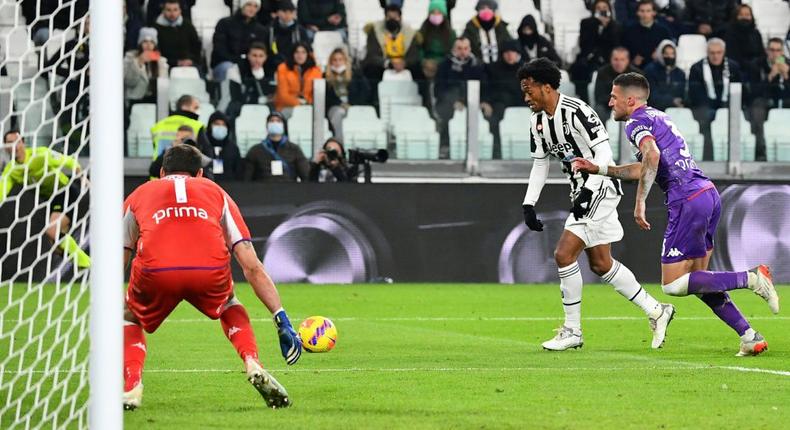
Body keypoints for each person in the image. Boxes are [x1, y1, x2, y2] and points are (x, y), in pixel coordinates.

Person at [572, 72, 779, 356]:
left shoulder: (635, 122)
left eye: (614, 97)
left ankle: (752, 277)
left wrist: (640, 201)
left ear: (630, 100)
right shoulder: (657, 116)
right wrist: (600, 169)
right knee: (699, 279)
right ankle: (749, 335)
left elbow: (652, 156)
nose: (609, 102)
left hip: (686, 200)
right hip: (705, 193)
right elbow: (644, 166)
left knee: (672, 285)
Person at [121, 144, 302, 410]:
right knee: (230, 302)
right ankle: (252, 361)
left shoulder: (139, 194)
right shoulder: (216, 192)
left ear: (161, 172)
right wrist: (281, 318)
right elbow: (251, 265)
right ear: (201, 174)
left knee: (128, 316)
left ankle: (131, 386)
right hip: (209, 271)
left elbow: (119, 257)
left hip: (156, 272)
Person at [518, 59, 673, 351]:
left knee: (563, 254)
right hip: (581, 192)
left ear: (547, 87)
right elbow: (540, 163)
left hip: (600, 186)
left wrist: (589, 190)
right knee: (601, 264)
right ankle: (656, 310)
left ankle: (572, 330)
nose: (526, 98)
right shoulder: (537, 122)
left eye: (530, 91)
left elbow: (603, 151)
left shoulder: (578, 112)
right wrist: (529, 203)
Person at [1, 131, 90, 269]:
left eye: (17, 142)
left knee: (52, 230)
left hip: (66, 192)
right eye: (10, 143)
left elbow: (69, 161)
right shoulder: (11, 170)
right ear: (6, 147)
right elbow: (2, 192)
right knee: (55, 246)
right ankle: (84, 264)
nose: (14, 146)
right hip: (52, 201)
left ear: (23, 143)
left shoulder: (41, 154)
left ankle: (90, 264)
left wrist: (82, 176)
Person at [688, 38, 743, 161]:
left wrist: (724, 106)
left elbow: (739, 91)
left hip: (728, 106)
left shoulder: (733, 67)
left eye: (718, 52)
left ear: (724, 52)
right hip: (704, 107)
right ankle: (709, 157)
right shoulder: (697, 68)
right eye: (712, 53)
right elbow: (696, 95)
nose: (715, 56)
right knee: (707, 115)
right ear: (707, 52)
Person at [435, 36, 485, 156]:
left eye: (465, 48)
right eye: (459, 48)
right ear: (454, 49)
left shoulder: (477, 65)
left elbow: (485, 87)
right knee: (445, 111)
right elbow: (439, 89)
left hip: (472, 101)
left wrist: (482, 101)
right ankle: (446, 145)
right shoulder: (445, 65)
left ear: (470, 49)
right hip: (449, 102)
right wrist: (454, 101)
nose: (463, 51)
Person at [570, 0, 621, 103]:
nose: (602, 10)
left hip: (608, 58)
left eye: (604, 7)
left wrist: (606, 27)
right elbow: (584, 44)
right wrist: (596, 25)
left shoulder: (615, 26)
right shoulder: (586, 23)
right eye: (599, 8)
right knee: (579, 69)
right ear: (594, 10)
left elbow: (615, 45)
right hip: (589, 58)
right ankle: (583, 100)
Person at [482, 40, 525, 158]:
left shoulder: (526, 70)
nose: (510, 55)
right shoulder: (492, 69)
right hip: (498, 103)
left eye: (513, 52)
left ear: (517, 54)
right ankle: (497, 151)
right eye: (507, 52)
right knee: (494, 117)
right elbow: (485, 88)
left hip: (521, 103)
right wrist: (485, 102)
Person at [748, 38, 790, 161]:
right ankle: (761, 151)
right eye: (772, 50)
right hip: (764, 99)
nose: (775, 53)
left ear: (782, 52)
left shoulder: (788, 64)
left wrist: (786, 76)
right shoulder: (757, 64)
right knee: (756, 108)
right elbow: (754, 92)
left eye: (778, 50)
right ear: (767, 51)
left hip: (785, 99)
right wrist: (770, 76)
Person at [361, 4, 423, 82]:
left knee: (418, 70)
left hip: (404, 62)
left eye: (395, 17)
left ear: (400, 18)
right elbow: (372, 54)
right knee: (371, 69)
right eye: (389, 17)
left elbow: (414, 55)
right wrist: (388, 63)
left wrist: (404, 63)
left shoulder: (409, 33)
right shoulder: (375, 31)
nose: (392, 19)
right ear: (385, 17)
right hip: (383, 63)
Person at [211, 0, 269, 83]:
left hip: (249, 65)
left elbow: (261, 51)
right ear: (242, 5)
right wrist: (237, 61)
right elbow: (219, 49)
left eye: (255, 6)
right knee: (232, 70)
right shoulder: (224, 23)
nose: (252, 9)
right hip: (225, 64)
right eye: (249, 4)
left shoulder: (261, 30)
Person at [243, 112, 309, 182]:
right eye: (272, 121)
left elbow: (305, 175)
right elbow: (246, 178)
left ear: (283, 126)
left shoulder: (294, 149)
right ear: (267, 126)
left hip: (288, 189)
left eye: (278, 121)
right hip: (262, 190)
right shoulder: (255, 151)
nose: (275, 123)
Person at [325, 48, 373, 142]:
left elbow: (365, 91)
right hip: (335, 107)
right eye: (334, 60)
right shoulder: (325, 77)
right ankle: (340, 142)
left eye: (340, 59)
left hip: (354, 106)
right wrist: (341, 104)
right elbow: (326, 97)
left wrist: (352, 105)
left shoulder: (356, 74)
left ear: (345, 61)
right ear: (330, 62)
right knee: (339, 113)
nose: (337, 62)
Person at [150, 95, 212, 163]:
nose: (198, 111)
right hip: (185, 170)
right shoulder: (197, 125)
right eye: (196, 107)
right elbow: (208, 153)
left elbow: (155, 148)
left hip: (159, 170)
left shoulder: (158, 125)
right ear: (184, 107)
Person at [222, 42, 277, 119]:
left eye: (261, 56)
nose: (257, 59)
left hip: (264, 106)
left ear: (265, 57)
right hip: (242, 104)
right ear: (248, 56)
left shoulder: (271, 71)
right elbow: (235, 94)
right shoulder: (236, 69)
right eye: (254, 56)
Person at [274, 42, 323, 115]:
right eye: (297, 52)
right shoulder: (282, 68)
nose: (300, 55)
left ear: (308, 54)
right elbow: (283, 95)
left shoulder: (316, 70)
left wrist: (307, 103)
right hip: (287, 106)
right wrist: (299, 104)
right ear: (292, 54)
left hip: (308, 106)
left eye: (303, 52)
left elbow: (316, 94)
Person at [124, 27, 169, 106]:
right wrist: (139, 62)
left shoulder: (161, 61)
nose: (148, 45)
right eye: (145, 41)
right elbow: (129, 82)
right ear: (140, 44)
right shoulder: (130, 58)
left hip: (154, 100)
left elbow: (163, 85)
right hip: (135, 99)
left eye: (152, 42)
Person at [594, 47, 642, 120]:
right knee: (599, 109)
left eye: (622, 60)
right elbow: (599, 97)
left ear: (628, 61)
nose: (619, 63)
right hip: (608, 106)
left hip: (630, 106)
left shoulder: (637, 74)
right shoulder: (602, 73)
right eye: (616, 59)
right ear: (611, 60)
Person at [148, 126, 212, 179]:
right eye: (182, 139)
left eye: (187, 139)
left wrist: (195, 153)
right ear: (176, 138)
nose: (185, 143)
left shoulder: (200, 155)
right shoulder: (170, 153)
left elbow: (209, 177)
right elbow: (153, 171)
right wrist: (173, 150)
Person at [152, 0, 201, 69]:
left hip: (189, 64)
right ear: (163, 11)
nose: (172, 13)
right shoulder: (156, 28)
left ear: (180, 11)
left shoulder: (188, 25)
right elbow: (156, 52)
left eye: (175, 10)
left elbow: (196, 47)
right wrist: (175, 62)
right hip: (166, 66)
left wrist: (191, 60)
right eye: (169, 10)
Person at [622, 0, 671, 69]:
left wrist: (660, 55)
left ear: (654, 12)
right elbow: (624, 50)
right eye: (642, 11)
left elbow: (669, 50)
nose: (645, 14)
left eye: (648, 11)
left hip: (657, 69)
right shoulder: (629, 31)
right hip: (634, 69)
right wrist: (632, 61)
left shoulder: (663, 31)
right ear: (637, 12)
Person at [719, 4, 765, 78]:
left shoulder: (756, 33)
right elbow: (731, 55)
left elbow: (762, 53)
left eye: (747, 15)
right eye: (741, 14)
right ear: (736, 16)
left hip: (755, 69)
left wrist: (756, 63)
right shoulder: (729, 33)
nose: (744, 17)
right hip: (738, 71)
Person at [461, 0, 512, 65]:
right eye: (482, 8)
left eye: (489, 8)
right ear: (478, 10)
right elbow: (464, 45)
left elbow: (509, 44)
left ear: (493, 10)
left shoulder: (501, 26)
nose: (486, 10)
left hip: (499, 66)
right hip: (477, 67)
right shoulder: (470, 27)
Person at [267, 0, 311, 71]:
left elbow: (307, 49)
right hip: (274, 63)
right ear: (278, 12)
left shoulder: (300, 31)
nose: (287, 15)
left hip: (295, 64)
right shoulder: (270, 29)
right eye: (284, 12)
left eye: (290, 12)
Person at [419, 0, 456, 82]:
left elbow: (452, 51)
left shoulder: (451, 33)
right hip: (427, 63)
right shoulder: (422, 32)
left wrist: (441, 63)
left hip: (444, 63)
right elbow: (418, 49)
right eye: (433, 13)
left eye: (439, 13)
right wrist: (424, 61)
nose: (436, 15)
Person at [643, 39, 685, 111]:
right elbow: (652, 97)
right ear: (660, 54)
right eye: (666, 53)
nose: (669, 56)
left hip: (675, 110)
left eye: (672, 54)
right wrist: (672, 101)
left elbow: (681, 95)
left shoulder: (680, 73)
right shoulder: (650, 70)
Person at [206, 111, 243, 180]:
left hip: (230, 187)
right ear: (209, 126)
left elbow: (238, 173)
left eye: (224, 125)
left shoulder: (233, 148)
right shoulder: (203, 146)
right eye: (216, 124)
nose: (220, 127)